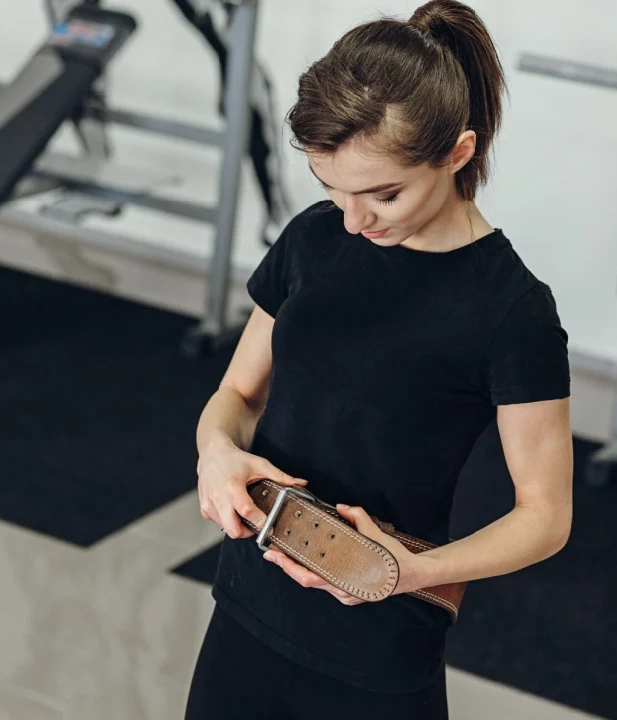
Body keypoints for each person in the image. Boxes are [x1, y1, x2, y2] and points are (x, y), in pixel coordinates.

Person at [186, 2, 574, 718]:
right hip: (248, 603)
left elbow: (545, 516)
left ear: (459, 153)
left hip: (377, 644)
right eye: (331, 191)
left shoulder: (513, 312)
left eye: (384, 194)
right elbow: (237, 393)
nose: (355, 221)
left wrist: (411, 572)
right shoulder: (313, 239)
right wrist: (215, 451)